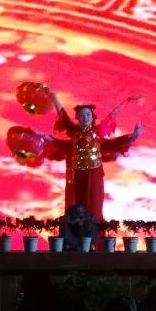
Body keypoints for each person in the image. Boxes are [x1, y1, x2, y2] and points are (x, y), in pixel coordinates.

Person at [42, 93, 143, 221]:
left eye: (88, 114)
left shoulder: (97, 132)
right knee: (78, 206)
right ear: (78, 118)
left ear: (92, 116)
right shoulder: (74, 132)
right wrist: (54, 98)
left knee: (94, 206)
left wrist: (133, 136)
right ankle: (78, 231)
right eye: (82, 115)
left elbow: (112, 117)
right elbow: (63, 116)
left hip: (95, 174)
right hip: (78, 174)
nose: (85, 117)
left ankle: (95, 230)